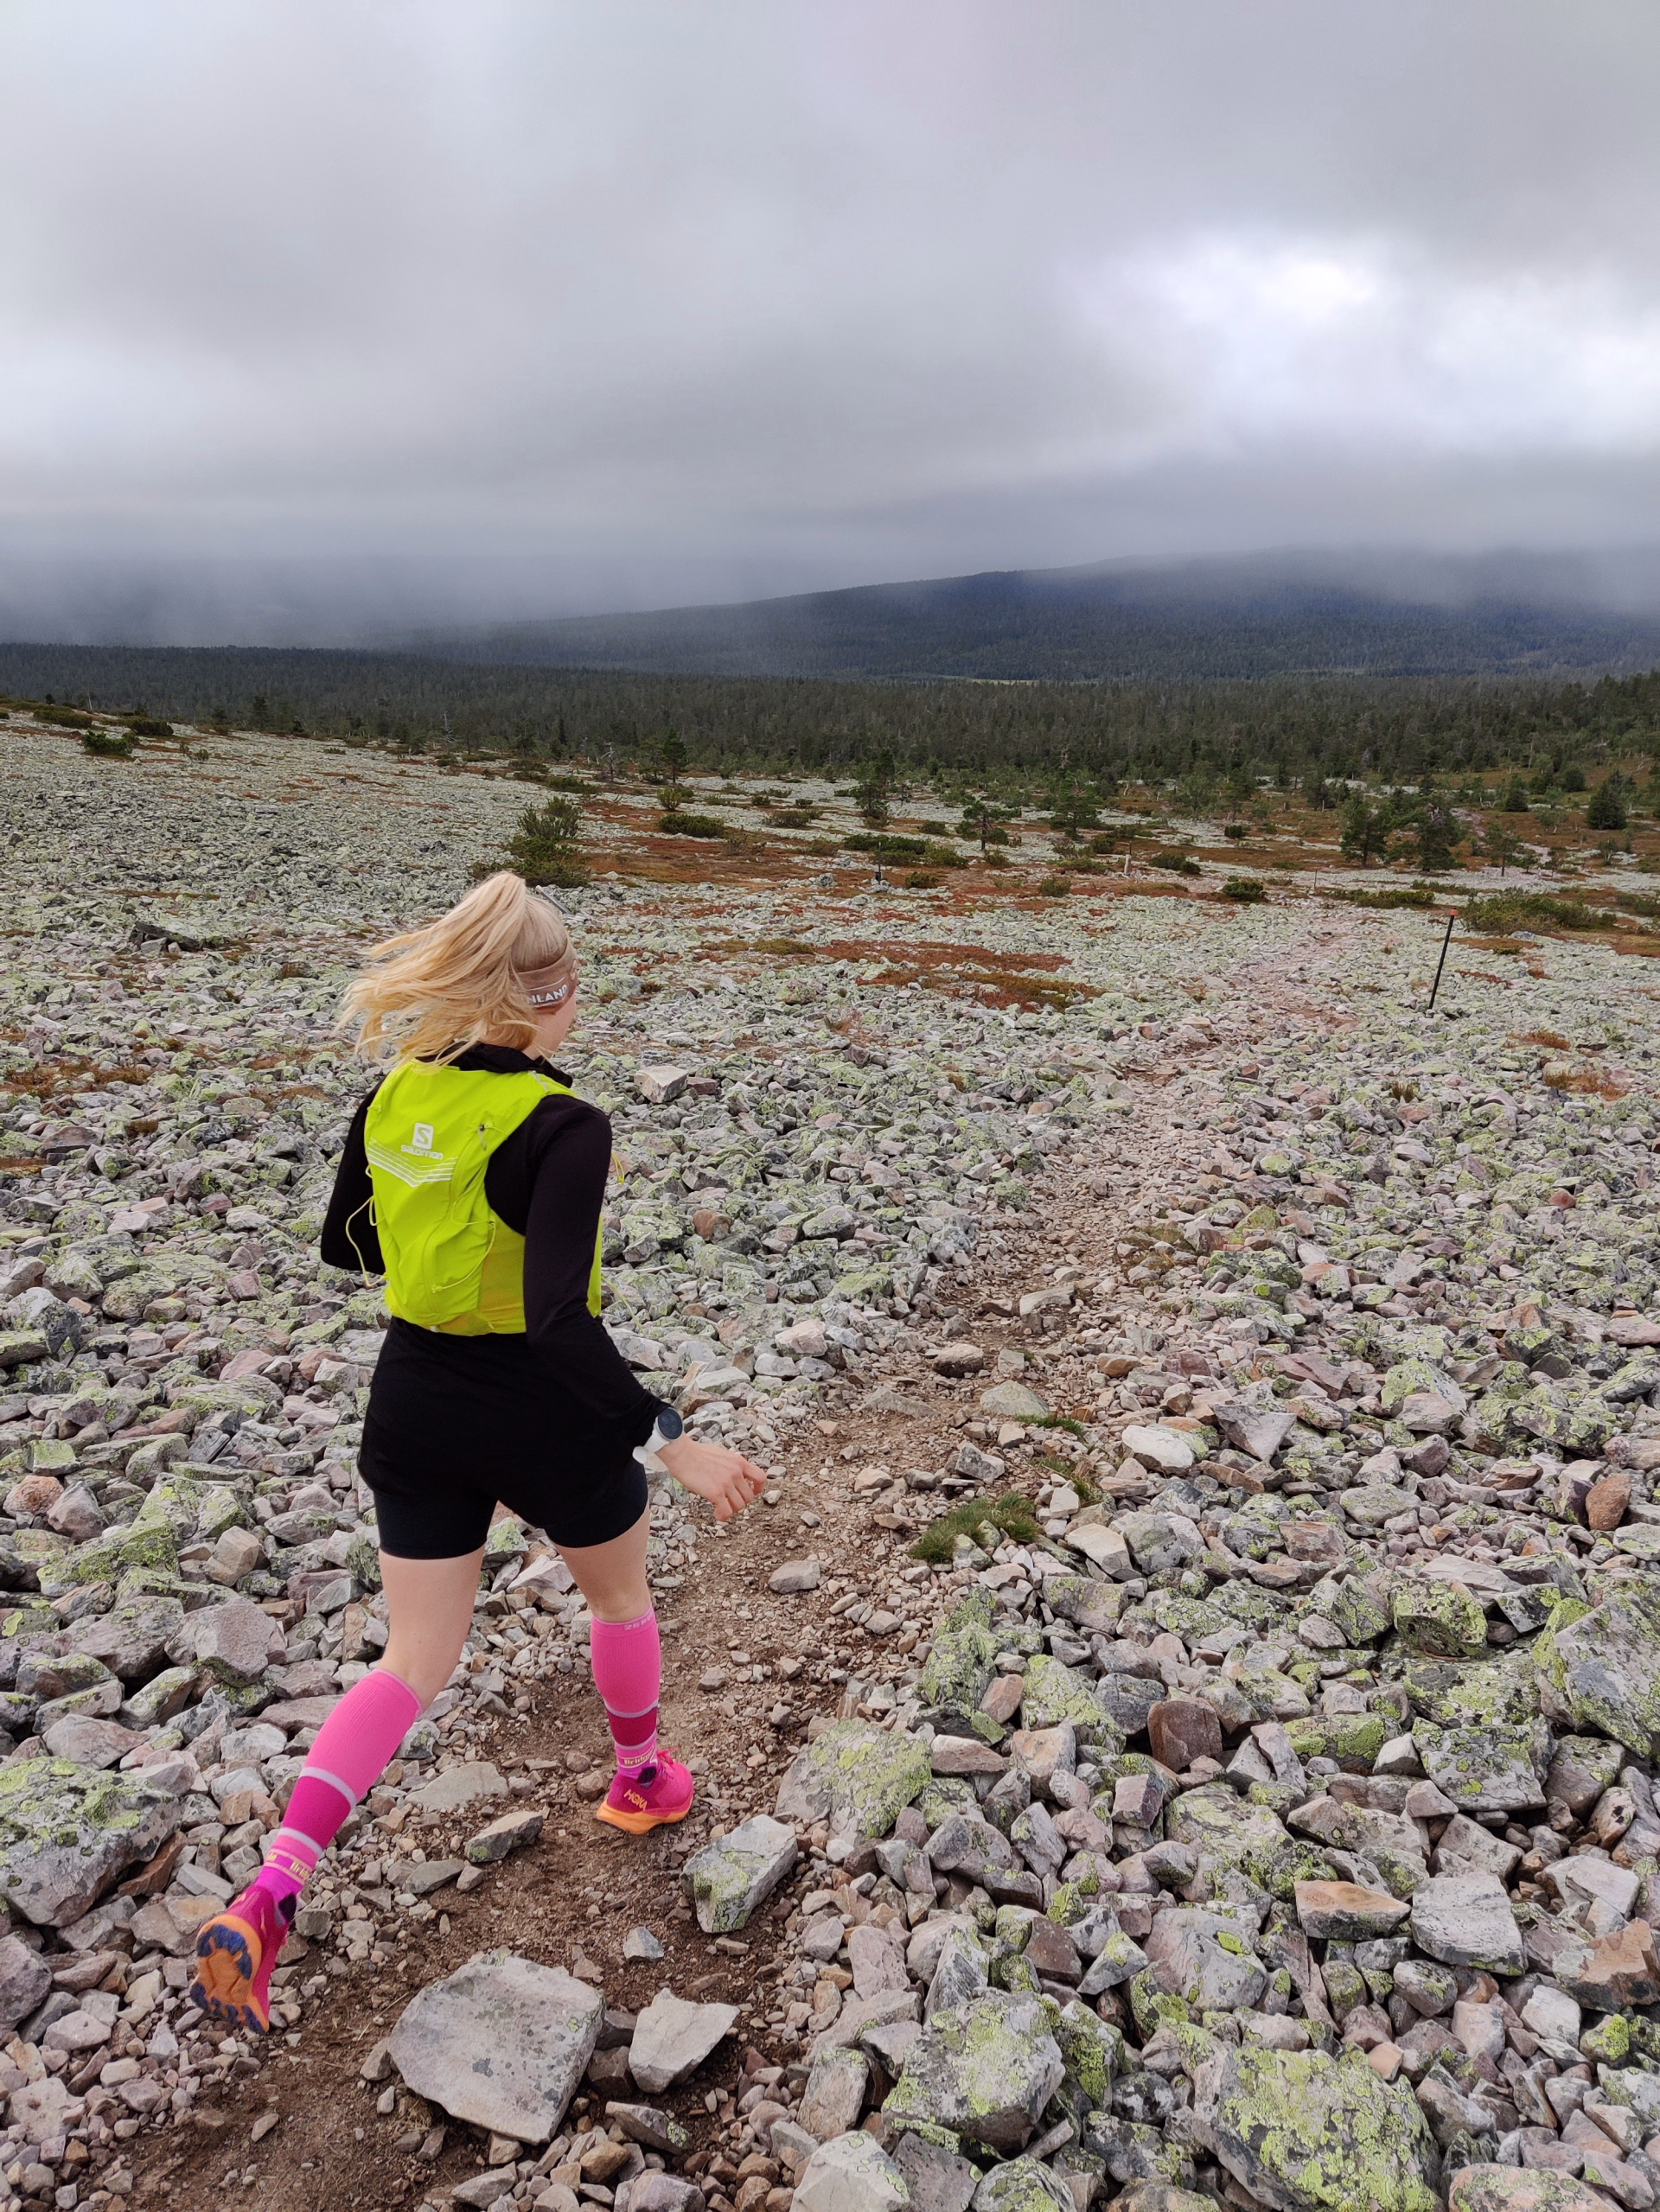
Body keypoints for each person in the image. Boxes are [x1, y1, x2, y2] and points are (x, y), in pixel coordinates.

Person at [188, 872, 767, 2031]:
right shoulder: (566, 1126)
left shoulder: (392, 1092)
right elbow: (559, 1316)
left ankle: (276, 1883)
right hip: (539, 1403)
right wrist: (674, 1436)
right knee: (616, 1594)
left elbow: (344, 1249)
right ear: (556, 997)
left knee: (411, 1658)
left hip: (414, 1395)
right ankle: (640, 1778)